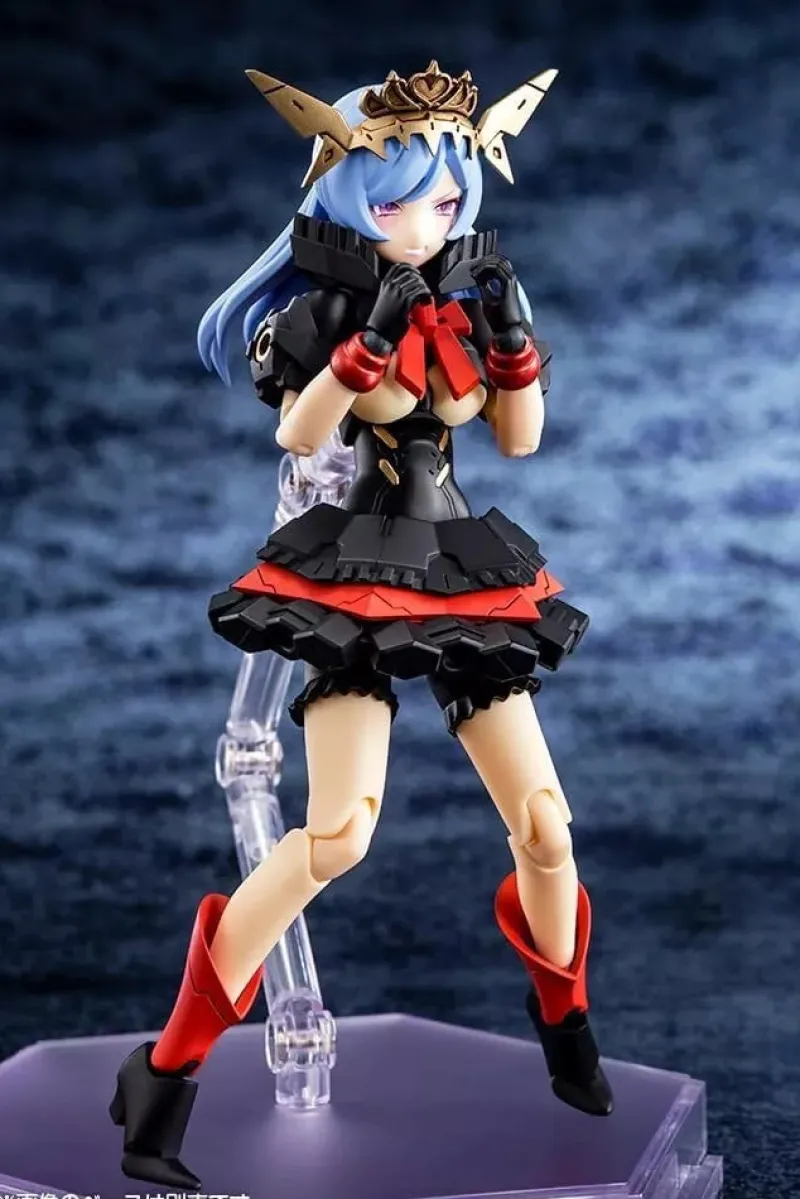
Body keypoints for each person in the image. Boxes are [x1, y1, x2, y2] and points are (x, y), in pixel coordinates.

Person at [109, 60, 613, 1191]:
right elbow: (299, 433)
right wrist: (368, 337)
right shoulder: (324, 309)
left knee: (544, 824)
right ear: (347, 197)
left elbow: (520, 437)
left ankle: (566, 1020)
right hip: (350, 577)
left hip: (458, 565)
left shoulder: (464, 295)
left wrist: (510, 332)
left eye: (445, 201)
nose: (425, 225)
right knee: (338, 835)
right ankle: (166, 1069)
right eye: (398, 204)